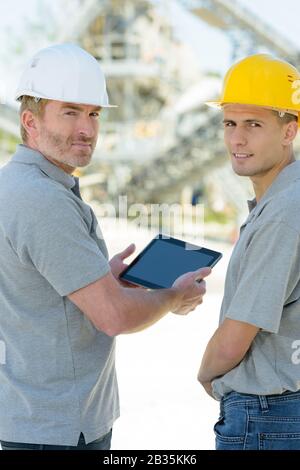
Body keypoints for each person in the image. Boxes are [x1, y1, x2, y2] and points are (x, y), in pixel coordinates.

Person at [0, 43, 211, 451]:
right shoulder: (44, 200)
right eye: (70, 111)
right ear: (30, 121)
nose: (87, 128)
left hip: (28, 418)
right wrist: (173, 295)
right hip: (58, 429)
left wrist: (103, 277)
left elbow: (34, 290)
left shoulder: (13, 186)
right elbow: (113, 317)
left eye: (93, 113)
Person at [197, 53, 300, 450]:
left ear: (289, 131)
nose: (237, 139)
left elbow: (236, 336)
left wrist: (206, 374)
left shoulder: (284, 214)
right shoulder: (282, 201)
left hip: (268, 415)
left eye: (254, 125)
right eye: (230, 123)